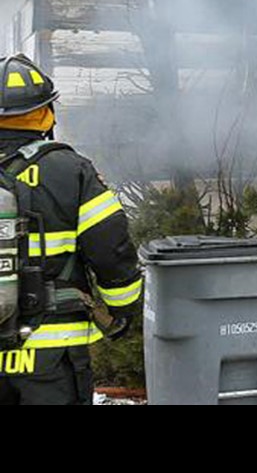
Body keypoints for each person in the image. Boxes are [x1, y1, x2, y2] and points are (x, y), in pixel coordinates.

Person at [0, 54, 141, 405]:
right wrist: (121, 311)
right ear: (47, 114)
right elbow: (111, 249)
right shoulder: (71, 171)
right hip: (53, 357)